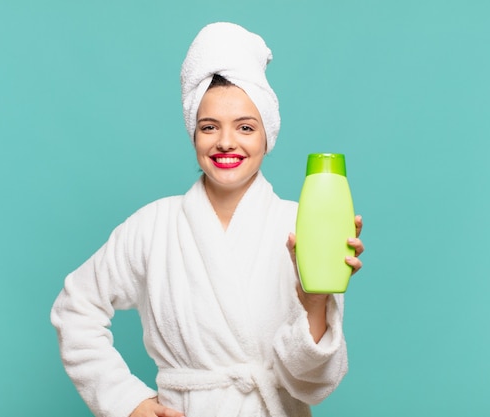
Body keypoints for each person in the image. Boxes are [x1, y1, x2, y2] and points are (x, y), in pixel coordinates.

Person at [51, 22, 364, 417]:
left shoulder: (304, 224)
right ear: (193, 135)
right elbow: (76, 308)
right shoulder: (153, 227)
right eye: (209, 127)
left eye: (246, 128)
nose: (226, 142)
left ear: (268, 136)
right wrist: (127, 402)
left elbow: (312, 385)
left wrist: (315, 301)